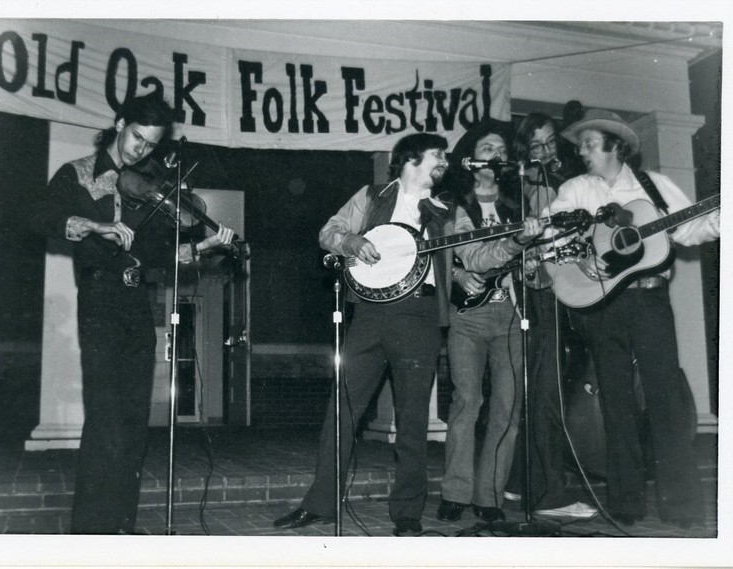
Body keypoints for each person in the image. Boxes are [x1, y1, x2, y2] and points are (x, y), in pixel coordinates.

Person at [30, 94, 234, 534]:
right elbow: (39, 216)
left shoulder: (150, 186)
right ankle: (91, 530)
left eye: (150, 146)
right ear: (120, 123)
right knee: (105, 416)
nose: (141, 151)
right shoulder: (80, 174)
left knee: (133, 419)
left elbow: (160, 255)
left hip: (137, 301)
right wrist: (95, 224)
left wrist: (204, 245)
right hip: (100, 300)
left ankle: (121, 523)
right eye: (137, 138)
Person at [543, 108, 719, 528]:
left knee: (666, 400)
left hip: (650, 302)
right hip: (603, 304)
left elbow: (690, 229)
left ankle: (681, 506)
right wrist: (584, 261)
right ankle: (625, 502)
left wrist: (717, 218)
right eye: (581, 145)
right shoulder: (576, 189)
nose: (581, 151)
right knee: (615, 401)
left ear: (615, 145)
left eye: (588, 143)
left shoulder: (654, 187)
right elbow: (552, 239)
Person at [272, 133, 455, 537]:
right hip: (370, 314)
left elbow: (476, 255)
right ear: (410, 160)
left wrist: (516, 241)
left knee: (411, 419)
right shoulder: (372, 196)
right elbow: (329, 231)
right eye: (438, 154)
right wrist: (352, 242)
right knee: (343, 408)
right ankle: (320, 503)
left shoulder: (448, 210)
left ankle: (407, 512)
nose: (446, 160)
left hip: (419, 316)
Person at [435, 120, 544, 524]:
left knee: (507, 407)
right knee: (467, 403)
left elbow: (532, 261)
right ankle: (456, 492)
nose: (496, 155)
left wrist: (532, 260)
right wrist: (453, 275)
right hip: (468, 316)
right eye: (488, 147)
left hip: (513, 313)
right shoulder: (452, 203)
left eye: (502, 149)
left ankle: (490, 496)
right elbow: (442, 258)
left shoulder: (519, 206)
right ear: (471, 155)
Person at [502, 112, 597, 520]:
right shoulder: (524, 188)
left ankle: (520, 484)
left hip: (567, 292)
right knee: (547, 393)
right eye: (536, 146)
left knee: (548, 389)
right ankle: (550, 495)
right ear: (525, 151)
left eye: (549, 143)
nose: (544, 151)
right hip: (541, 295)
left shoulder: (565, 182)